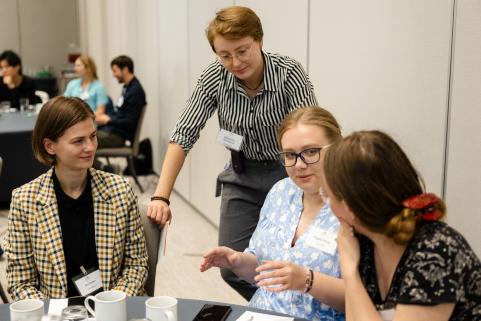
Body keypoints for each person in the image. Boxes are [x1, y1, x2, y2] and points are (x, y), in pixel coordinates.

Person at [148, 6, 318, 300]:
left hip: (290, 174)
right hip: (242, 174)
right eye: (224, 55)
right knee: (231, 267)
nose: (235, 62)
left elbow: (313, 129)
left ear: (259, 40)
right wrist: (161, 197)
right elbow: (183, 134)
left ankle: (287, 309)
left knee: (294, 260)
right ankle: (275, 309)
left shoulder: (289, 73)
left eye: (242, 51)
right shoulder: (214, 78)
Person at [201, 107, 345, 320]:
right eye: (289, 155)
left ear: (337, 148)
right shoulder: (281, 192)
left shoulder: (354, 209)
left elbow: (366, 301)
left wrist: (307, 280)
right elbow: (263, 270)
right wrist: (237, 261)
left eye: (311, 152)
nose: (299, 164)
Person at [322, 130, 481, 321]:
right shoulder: (365, 243)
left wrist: (350, 274)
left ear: (349, 207)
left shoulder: (437, 251)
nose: (327, 204)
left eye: (328, 196)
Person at [4, 96, 148, 300]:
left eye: (93, 136)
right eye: (78, 141)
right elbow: (21, 282)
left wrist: (111, 304)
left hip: (113, 310)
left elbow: (136, 266)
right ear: (50, 146)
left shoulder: (120, 191)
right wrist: (53, 314)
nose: (90, 147)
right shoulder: (25, 200)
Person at [96, 55, 146, 148]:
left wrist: (109, 120)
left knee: (85, 140)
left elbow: (130, 122)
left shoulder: (135, 92)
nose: (113, 75)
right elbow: (121, 112)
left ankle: (99, 164)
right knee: (86, 137)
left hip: (119, 136)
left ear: (125, 69)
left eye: (115, 71)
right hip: (114, 131)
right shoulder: (127, 88)